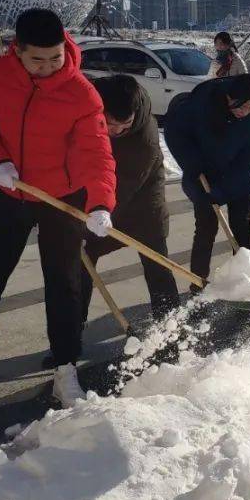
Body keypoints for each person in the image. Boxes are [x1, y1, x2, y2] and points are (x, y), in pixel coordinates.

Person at [0, 8, 116, 410]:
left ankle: (65, 369)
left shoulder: (81, 92)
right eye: (37, 59)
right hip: (10, 191)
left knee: (65, 283)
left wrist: (102, 203)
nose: (48, 67)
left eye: (55, 57)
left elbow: (98, 153)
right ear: (16, 50)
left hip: (62, 199)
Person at [80, 74, 179, 323]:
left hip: (143, 201)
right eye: (110, 123)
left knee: (156, 263)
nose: (116, 131)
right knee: (79, 262)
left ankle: (171, 328)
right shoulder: (89, 102)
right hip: (101, 194)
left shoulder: (143, 139)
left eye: (124, 125)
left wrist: (92, 217)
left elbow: (123, 185)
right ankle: (70, 337)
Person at [163, 72, 250, 283]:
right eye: (239, 106)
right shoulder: (202, 103)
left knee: (241, 226)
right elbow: (175, 131)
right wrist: (192, 164)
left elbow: (245, 163)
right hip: (203, 174)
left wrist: (222, 191)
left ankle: (247, 280)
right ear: (228, 97)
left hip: (239, 178)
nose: (244, 112)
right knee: (205, 228)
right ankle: (198, 282)